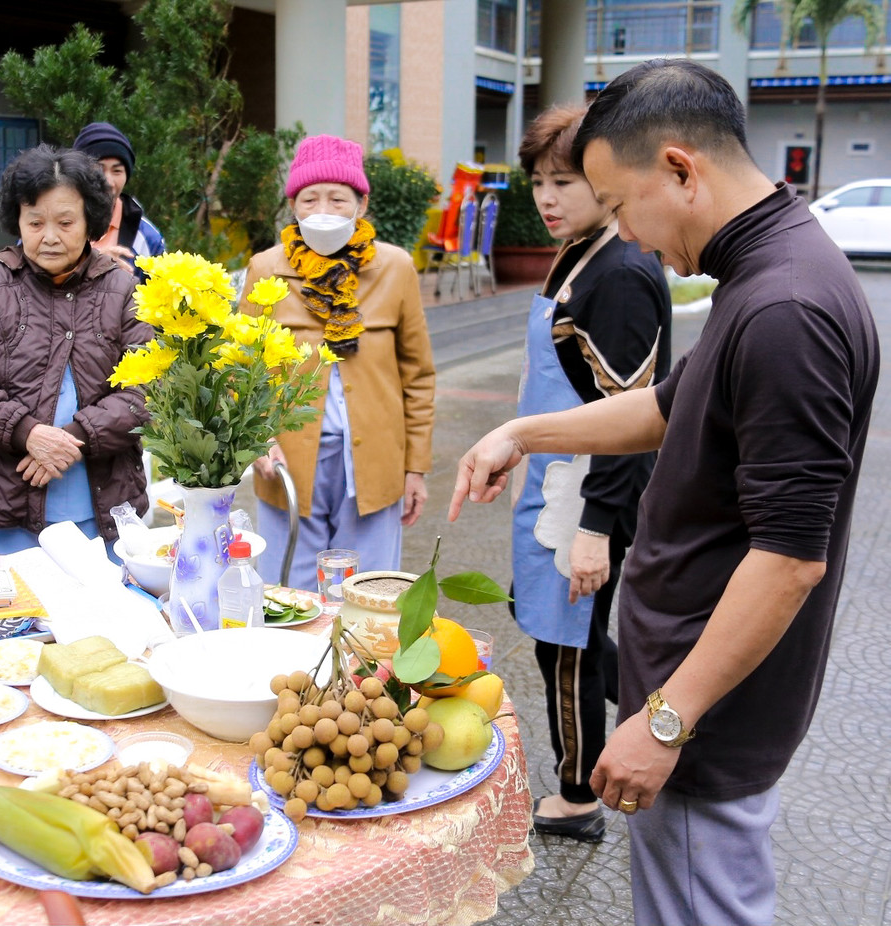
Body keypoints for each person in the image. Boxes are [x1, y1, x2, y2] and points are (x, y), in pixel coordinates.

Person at [450, 59, 878, 926]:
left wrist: (665, 722)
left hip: (707, 713)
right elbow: (663, 406)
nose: (629, 235)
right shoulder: (764, 270)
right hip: (691, 688)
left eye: (620, 204)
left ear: (681, 169)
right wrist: (524, 432)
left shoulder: (785, 309)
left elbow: (789, 559)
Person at [512, 104, 672, 842]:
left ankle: (578, 796)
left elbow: (630, 417)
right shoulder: (582, 250)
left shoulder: (623, 272)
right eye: (538, 183)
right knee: (562, 635)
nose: (548, 199)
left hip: (588, 492)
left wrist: (595, 529)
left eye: (565, 182)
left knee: (569, 646)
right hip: (556, 479)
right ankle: (656, 711)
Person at [238, 134, 435, 591]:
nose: (323, 209)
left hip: (376, 460)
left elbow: (418, 376)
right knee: (292, 596)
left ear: (361, 204)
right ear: (293, 205)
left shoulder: (395, 268)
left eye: (338, 198)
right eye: (310, 199)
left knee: (368, 593)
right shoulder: (265, 268)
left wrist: (416, 468)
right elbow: (242, 369)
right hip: (288, 461)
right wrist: (258, 439)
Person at [0, 145, 152, 555]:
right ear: (18, 221)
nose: (49, 236)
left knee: (102, 597)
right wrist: (28, 434)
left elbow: (146, 389)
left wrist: (72, 439)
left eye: (65, 222)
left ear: (90, 221)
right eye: (35, 222)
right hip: (7, 504)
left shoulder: (123, 288)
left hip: (104, 508)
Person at [72, 122, 164, 274]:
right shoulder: (49, 226)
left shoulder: (147, 238)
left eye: (117, 171)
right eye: (98, 169)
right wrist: (90, 264)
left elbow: (161, 287)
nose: (108, 182)